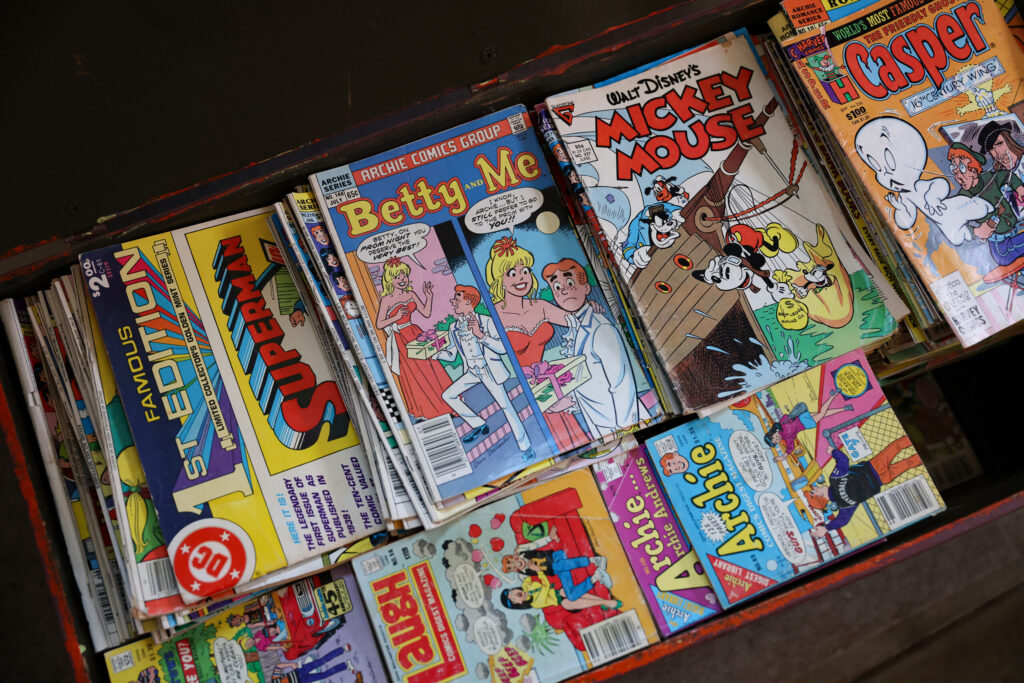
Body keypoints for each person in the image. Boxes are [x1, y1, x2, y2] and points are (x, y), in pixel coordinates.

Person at [484, 236, 588, 450]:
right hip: (519, 386)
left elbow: (574, 321)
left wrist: (588, 307)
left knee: (570, 437)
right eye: (512, 273)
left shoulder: (539, 305)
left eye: (525, 271)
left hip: (548, 380)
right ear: (499, 280)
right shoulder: (494, 314)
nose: (521, 278)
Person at [542, 258, 646, 435]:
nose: (564, 289)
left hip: (620, 421)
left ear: (586, 288)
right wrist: (569, 400)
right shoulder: (575, 327)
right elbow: (589, 376)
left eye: (569, 282)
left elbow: (622, 382)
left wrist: (627, 423)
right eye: (557, 288)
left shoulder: (601, 327)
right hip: (601, 422)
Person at [435, 285, 533, 459]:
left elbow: (503, 348)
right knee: (448, 395)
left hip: (489, 370)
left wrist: (481, 335)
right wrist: (436, 353)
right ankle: (478, 423)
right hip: (472, 371)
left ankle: (526, 448)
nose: (454, 303)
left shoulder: (486, 321)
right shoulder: (454, 328)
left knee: (506, 407)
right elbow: (452, 354)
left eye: (458, 300)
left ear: (469, 303)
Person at [374, 257, 452, 420]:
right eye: (397, 277)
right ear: (390, 280)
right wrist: (395, 317)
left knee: (431, 367)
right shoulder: (386, 299)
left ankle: (446, 404)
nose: (402, 280)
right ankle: (425, 409)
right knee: (414, 374)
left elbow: (426, 312)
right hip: (401, 338)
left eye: (404, 276)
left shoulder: (411, 293)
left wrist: (428, 296)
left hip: (415, 333)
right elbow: (380, 323)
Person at [807, 436, 923, 538]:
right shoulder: (834, 479)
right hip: (874, 467)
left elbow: (843, 521)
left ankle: (923, 454)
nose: (815, 488)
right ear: (819, 495)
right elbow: (844, 460)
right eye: (814, 491)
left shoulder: (845, 505)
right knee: (896, 446)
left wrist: (827, 528)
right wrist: (833, 451)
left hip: (882, 481)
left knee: (907, 464)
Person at [501, 526, 612, 601]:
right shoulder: (522, 575)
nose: (514, 565)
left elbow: (535, 544)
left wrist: (550, 537)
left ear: (513, 556)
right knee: (571, 596)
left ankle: (595, 560)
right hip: (556, 571)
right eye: (511, 568)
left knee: (556, 565)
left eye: (511, 562)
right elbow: (532, 589)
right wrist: (525, 594)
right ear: (514, 571)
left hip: (556, 557)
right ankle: (596, 576)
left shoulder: (521, 550)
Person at [976, 121, 1024, 265]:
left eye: (999, 144)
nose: (997, 153)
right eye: (991, 149)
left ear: (1009, 140)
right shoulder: (997, 180)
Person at [764, 390, 852, 456]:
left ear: (774, 433)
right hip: (803, 419)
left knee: (821, 413)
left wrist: (784, 456)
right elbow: (786, 417)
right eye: (776, 441)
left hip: (803, 421)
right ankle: (843, 407)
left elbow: (790, 447)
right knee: (822, 414)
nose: (777, 440)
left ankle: (834, 397)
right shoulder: (783, 430)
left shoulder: (784, 432)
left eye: (774, 438)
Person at [500, 572, 621, 612]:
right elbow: (545, 586)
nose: (515, 594)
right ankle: (596, 582)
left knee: (566, 591)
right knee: (568, 601)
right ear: (519, 604)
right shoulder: (535, 604)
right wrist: (540, 573)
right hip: (560, 602)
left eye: (512, 592)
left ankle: (604, 602)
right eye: (513, 599)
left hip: (560, 592)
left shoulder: (526, 586)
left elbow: (527, 577)